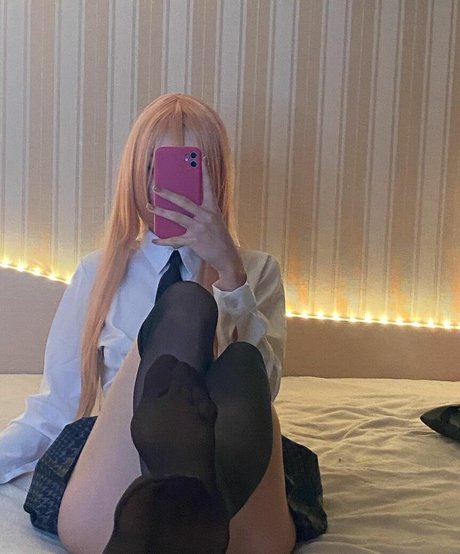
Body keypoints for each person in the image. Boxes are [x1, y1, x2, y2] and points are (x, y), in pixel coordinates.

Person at [0, 93, 326, 553]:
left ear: (215, 177)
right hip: (114, 492)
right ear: (135, 173)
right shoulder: (99, 272)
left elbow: (262, 392)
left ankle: (181, 516)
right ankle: (179, 514)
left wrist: (231, 277)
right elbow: (56, 407)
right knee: (185, 307)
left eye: (190, 167)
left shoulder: (257, 270)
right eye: (154, 167)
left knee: (238, 360)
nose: (164, 186)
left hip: (236, 489)